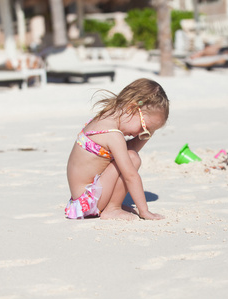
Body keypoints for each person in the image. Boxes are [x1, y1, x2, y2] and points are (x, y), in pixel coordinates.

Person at [65, 78, 170, 220]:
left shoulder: (105, 118)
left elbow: (129, 147)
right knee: (132, 158)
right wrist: (144, 211)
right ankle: (112, 208)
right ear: (131, 108)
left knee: (129, 154)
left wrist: (148, 131)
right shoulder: (113, 135)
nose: (141, 135)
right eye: (144, 129)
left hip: (80, 201)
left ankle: (110, 205)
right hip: (87, 202)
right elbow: (130, 175)